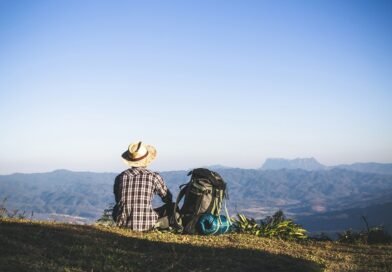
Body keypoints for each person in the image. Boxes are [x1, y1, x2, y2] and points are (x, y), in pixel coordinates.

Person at [112, 141, 173, 231]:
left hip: (123, 224)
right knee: (172, 206)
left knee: (116, 208)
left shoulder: (120, 177)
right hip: (148, 224)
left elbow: (118, 200)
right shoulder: (154, 176)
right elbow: (167, 198)